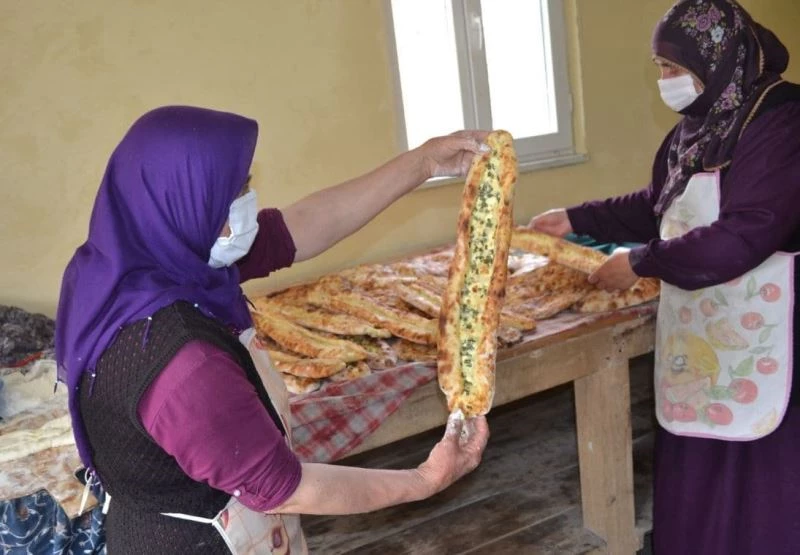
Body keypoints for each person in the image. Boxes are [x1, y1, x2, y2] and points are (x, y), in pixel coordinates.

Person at [55, 105, 490, 554]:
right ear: (186, 204)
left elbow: (304, 225)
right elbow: (284, 486)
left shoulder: (129, 268)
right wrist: (423, 480)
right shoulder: (182, 362)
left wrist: (424, 162)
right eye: (236, 191)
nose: (250, 202)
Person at [529, 1, 800, 553]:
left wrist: (639, 263)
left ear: (717, 57)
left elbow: (747, 233)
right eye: (659, 66)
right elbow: (660, 203)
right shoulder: (700, 124)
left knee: (756, 462)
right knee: (699, 445)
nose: (664, 80)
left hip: (764, 323)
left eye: (672, 67)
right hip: (701, 322)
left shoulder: (780, 120)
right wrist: (578, 218)